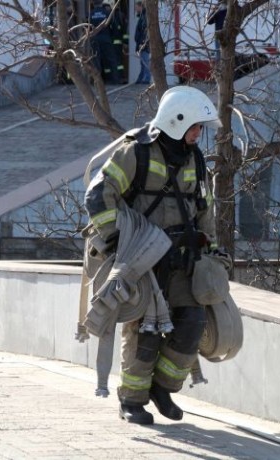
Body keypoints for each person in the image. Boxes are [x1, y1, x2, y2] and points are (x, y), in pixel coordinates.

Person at [84, 86, 222, 425]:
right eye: (195, 126)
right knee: (145, 330)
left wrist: (213, 251)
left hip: (182, 259)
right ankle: (132, 401)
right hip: (142, 259)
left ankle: (162, 387)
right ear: (177, 122)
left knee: (192, 323)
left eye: (201, 128)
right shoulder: (136, 154)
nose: (198, 134)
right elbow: (98, 196)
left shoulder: (195, 159)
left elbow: (204, 207)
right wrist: (118, 240)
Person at [89, 0, 121, 84]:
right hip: (106, 39)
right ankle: (115, 80)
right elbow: (114, 27)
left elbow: (87, 28)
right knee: (111, 60)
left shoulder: (91, 14)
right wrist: (112, 37)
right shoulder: (107, 13)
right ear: (102, 3)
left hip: (94, 39)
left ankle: (97, 82)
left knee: (96, 60)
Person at [133, 0, 150, 84]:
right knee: (143, 62)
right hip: (142, 43)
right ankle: (141, 78)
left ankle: (146, 79)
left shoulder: (144, 16)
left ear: (141, 7)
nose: (135, 9)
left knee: (145, 62)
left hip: (144, 44)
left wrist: (142, 43)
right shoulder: (142, 16)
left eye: (136, 7)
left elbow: (144, 31)